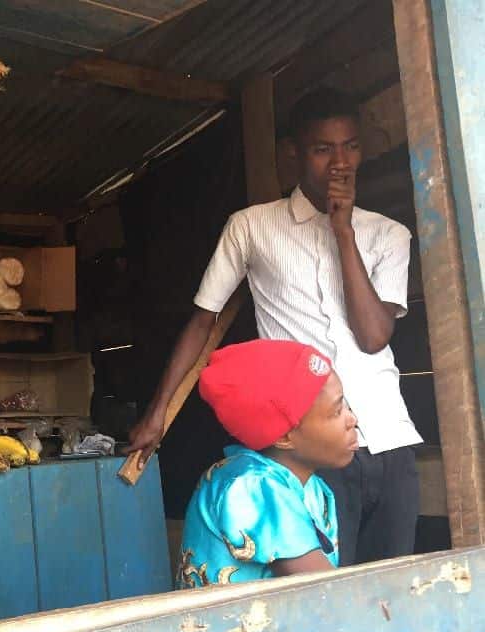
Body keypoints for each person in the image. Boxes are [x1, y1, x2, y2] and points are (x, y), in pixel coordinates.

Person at [129, 88, 421, 566]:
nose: (339, 162)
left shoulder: (388, 234)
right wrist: (158, 410)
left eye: (349, 146)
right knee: (324, 597)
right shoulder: (251, 227)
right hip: (311, 450)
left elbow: (373, 336)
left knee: (396, 590)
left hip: (390, 439)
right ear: (293, 154)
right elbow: (204, 319)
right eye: (322, 149)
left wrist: (342, 231)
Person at [178, 339, 357, 588]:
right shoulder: (251, 485)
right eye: (337, 412)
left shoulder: (313, 487)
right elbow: (329, 590)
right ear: (284, 437)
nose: (352, 419)